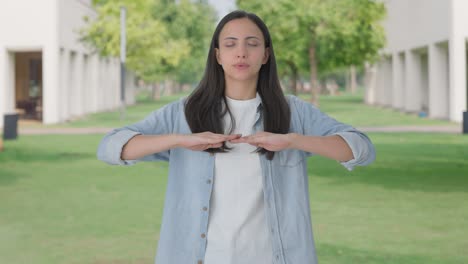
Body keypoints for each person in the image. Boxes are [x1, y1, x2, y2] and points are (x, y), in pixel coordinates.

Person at [97, 10, 375, 264]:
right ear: (217, 55)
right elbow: (110, 148)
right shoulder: (184, 112)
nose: (241, 52)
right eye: (230, 44)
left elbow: (361, 149)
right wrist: (179, 140)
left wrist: (292, 140)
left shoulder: (293, 112)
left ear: (266, 54)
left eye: (252, 43)